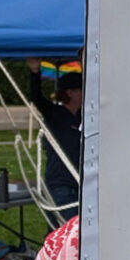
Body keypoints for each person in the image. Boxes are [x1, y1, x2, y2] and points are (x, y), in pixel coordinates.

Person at [27, 58, 82, 220]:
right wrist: (35, 72)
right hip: (60, 183)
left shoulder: (84, 116)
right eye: (81, 90)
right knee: (62, 229)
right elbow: (36, 97)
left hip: (81, 181)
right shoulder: (54, 113)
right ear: (70, 93)